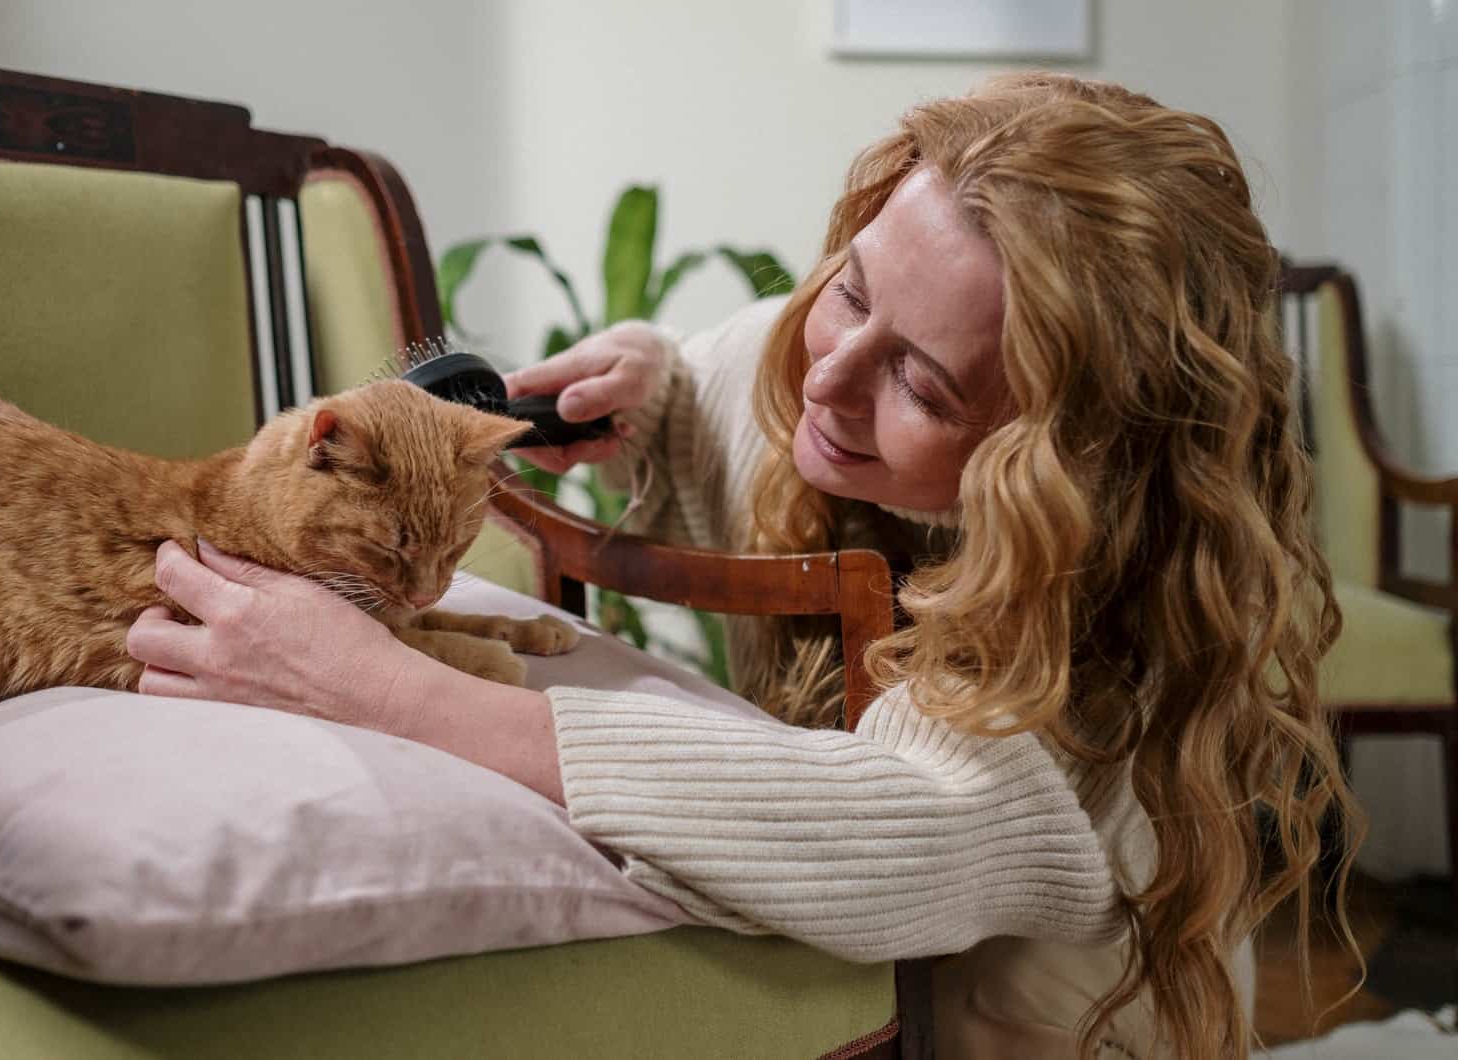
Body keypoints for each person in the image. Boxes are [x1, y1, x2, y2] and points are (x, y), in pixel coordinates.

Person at [126, 73, 1360, 1058]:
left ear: (1062, 461)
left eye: (921, 381)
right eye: (849, 290)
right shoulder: (831, 361)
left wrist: (389, 690)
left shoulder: (1098, 633)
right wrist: (653, 384)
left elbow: (893, 829)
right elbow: (733, 364)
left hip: (1053, 1025)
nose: (827, 376)